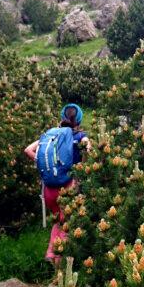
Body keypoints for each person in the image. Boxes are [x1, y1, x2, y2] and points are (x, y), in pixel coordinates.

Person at [24, 104, 91, 265]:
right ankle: (61, 267)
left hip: (48, 189)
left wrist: (45, 164)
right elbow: (87, 148)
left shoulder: (51, 135)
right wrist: (81, 166)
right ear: (79, 120)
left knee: (58, 222)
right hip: (68, 185)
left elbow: (28, 150)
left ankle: (51, 255)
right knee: (68, 224)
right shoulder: (80, 135)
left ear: (62, 118)